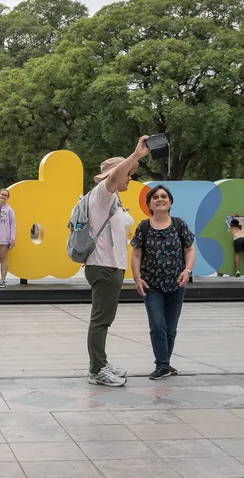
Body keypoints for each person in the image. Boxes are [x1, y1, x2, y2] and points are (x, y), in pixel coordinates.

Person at [84, 136, 150, 387]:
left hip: (110, 266)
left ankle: (100, 363)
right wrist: (135, 155)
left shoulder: (111, 198)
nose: (130, 178)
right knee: (100, 320)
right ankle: (96, 369)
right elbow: (114, 177)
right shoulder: (102, 193)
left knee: (104, 319)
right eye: (127, 174)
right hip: (103, 266)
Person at [131, 185, 196, 380]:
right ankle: (162, 365)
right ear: (149, 203)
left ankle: (165, 363)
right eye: (155, 197)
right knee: (157, 325)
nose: (160, 199)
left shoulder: (179, 224)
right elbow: (136, 253)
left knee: (170, 327)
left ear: (170, 202)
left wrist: (187, 270)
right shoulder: (143, 227)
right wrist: (137, 278)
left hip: (176, 284)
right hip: (152, 285)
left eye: (164, 196)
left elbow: (189, 249)